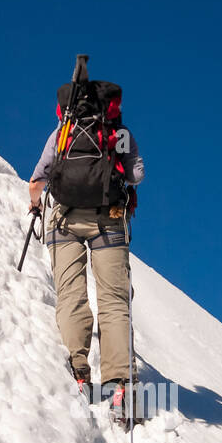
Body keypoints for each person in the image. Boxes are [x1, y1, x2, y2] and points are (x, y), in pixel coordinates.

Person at [27, 101, 144, 404]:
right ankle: (120, 383)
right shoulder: (119, 133)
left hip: (64, 219)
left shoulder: (63, 132)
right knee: (114, 299)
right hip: (109, 219)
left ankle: (79, 372)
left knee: (70, 293)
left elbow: (37, 180)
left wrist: (36, 203)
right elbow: (136, 175)